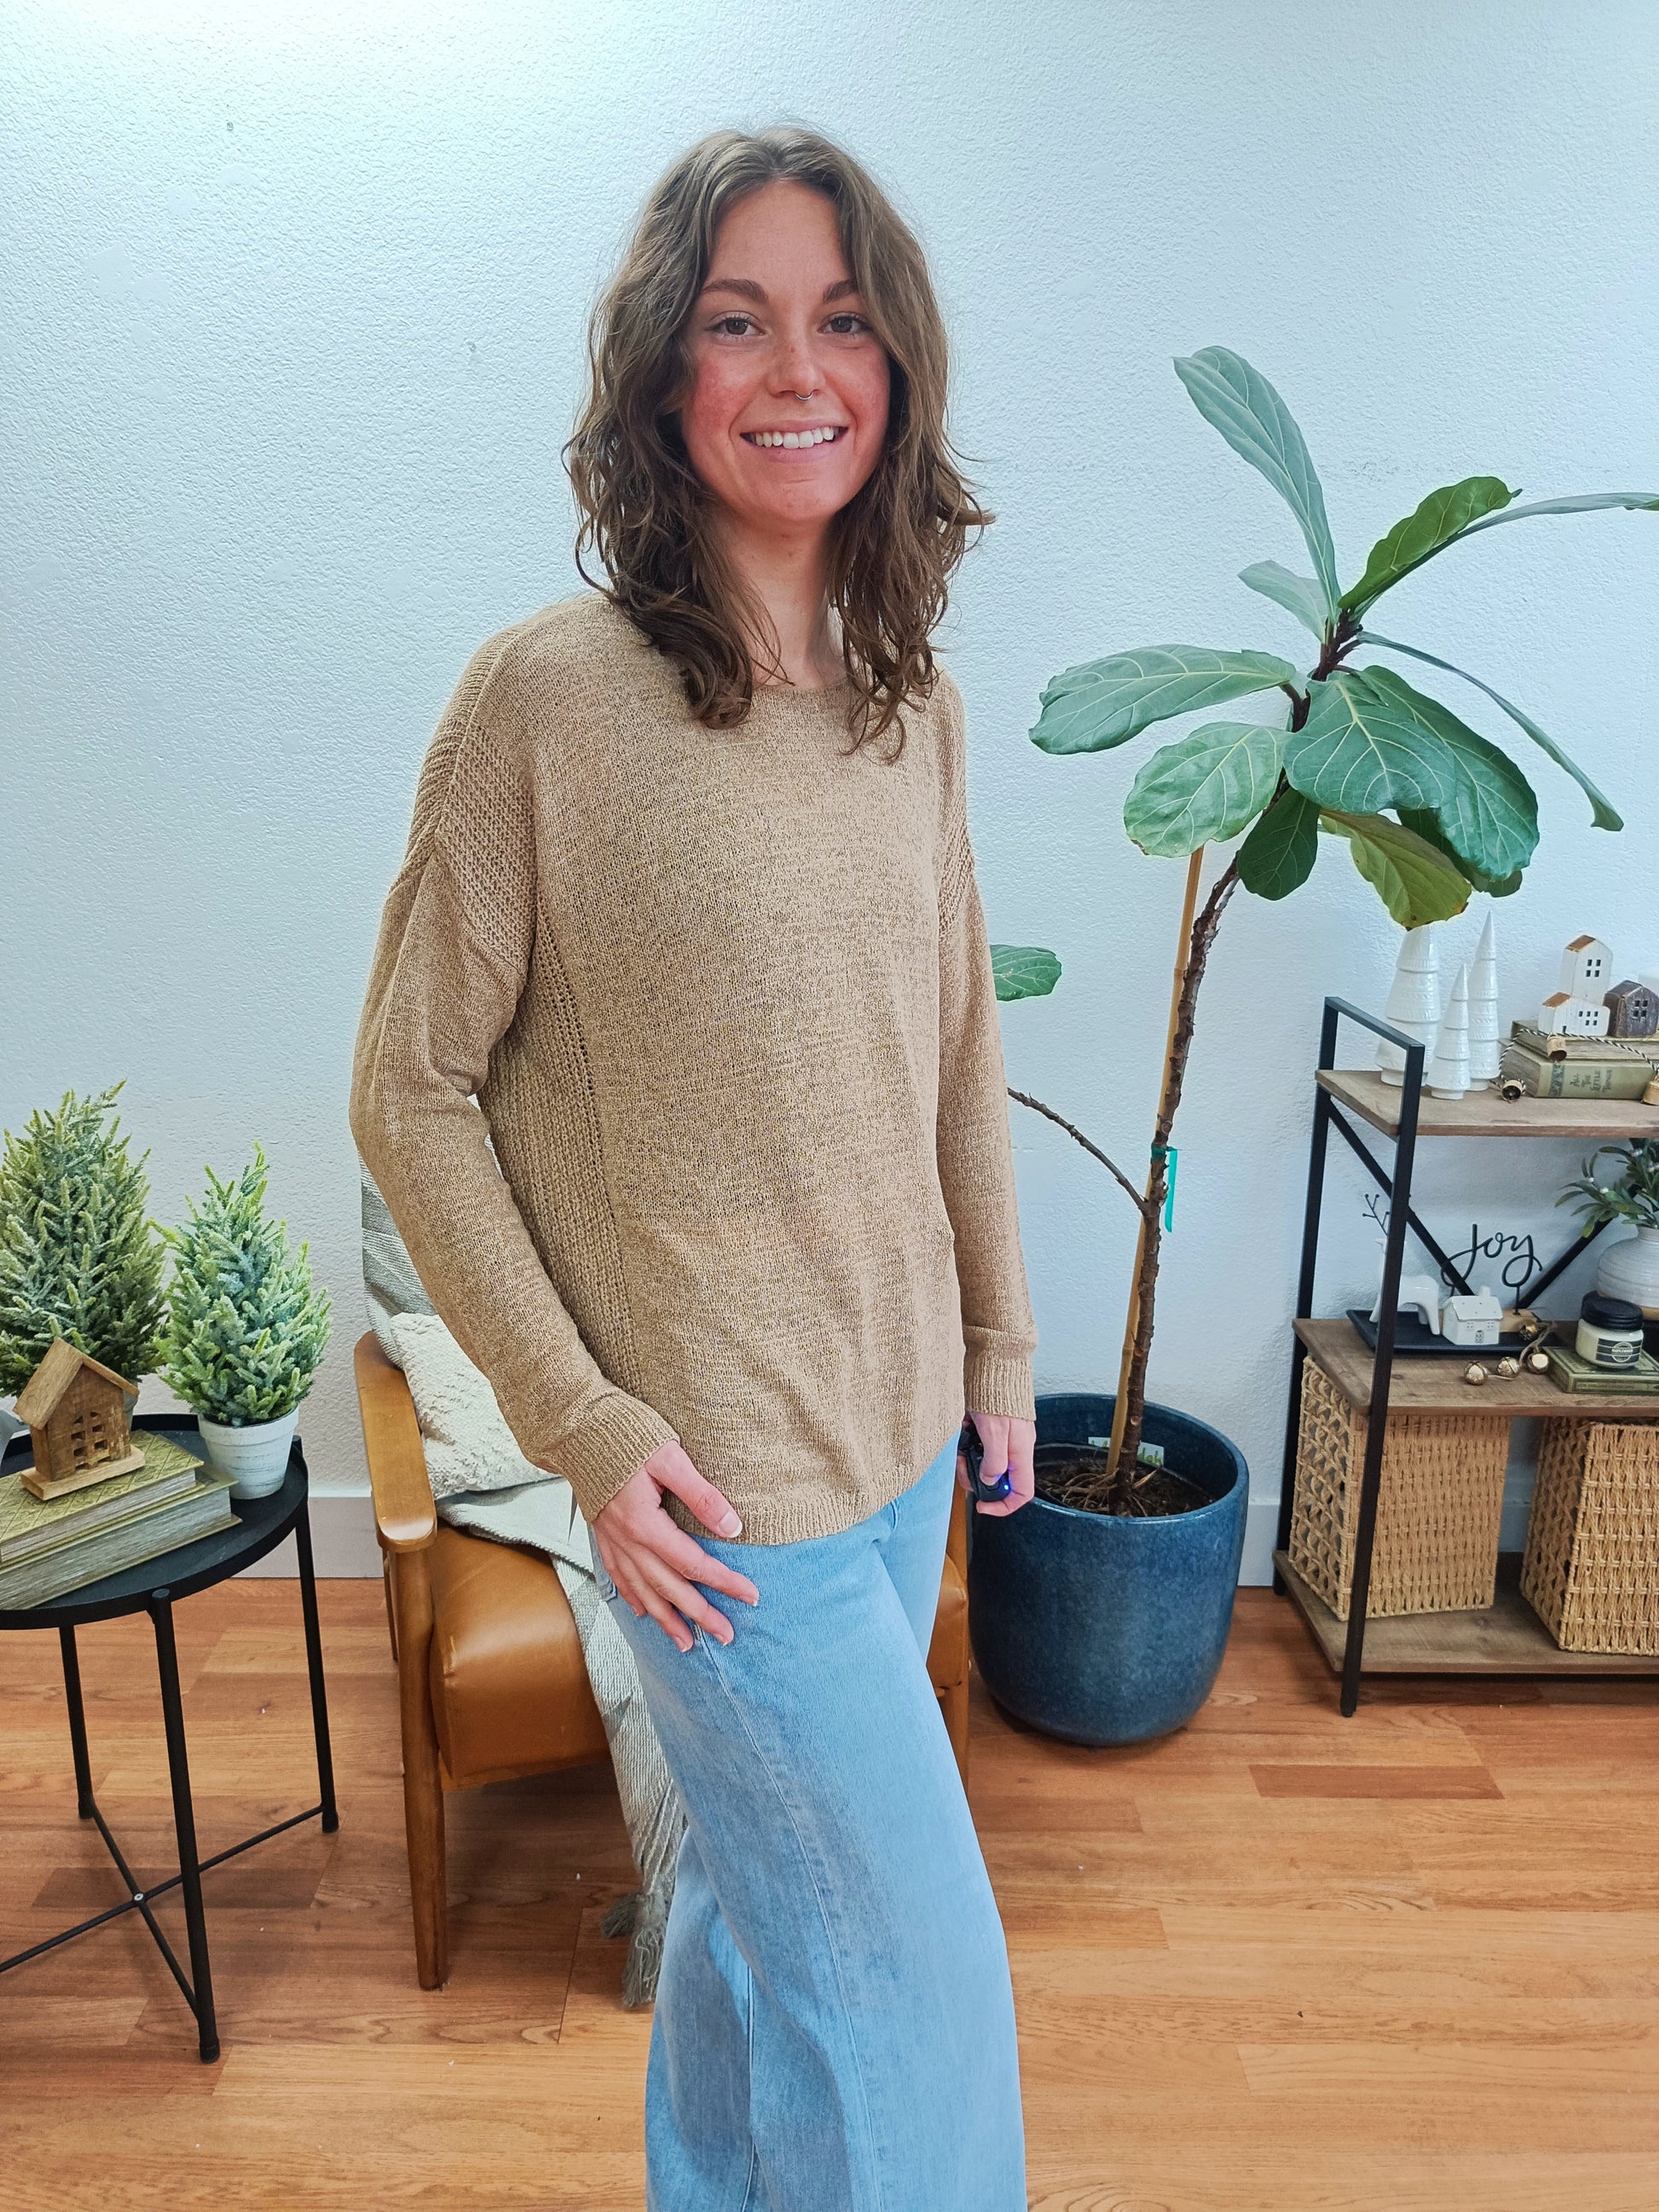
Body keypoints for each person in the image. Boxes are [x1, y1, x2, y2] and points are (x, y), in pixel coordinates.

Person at [349, 122, 1038, 2212]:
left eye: (842, 320)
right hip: (727, 1503)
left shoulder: (914, 707)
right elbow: (408, 1087)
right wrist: (580, 1420)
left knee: (756, 1939)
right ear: (665, 374)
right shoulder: (545, 704)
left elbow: (956, 1046)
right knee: (913, 2010)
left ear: (896, 369)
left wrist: (999, 1346)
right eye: (737, 321)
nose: (795, 368)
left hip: (898, 1442)